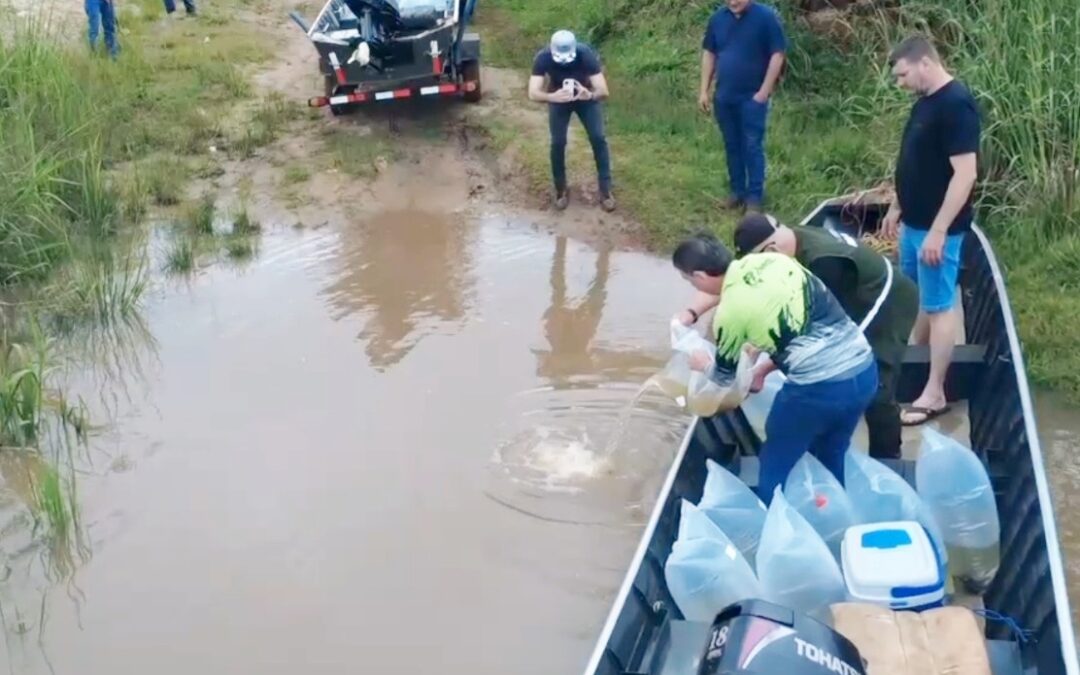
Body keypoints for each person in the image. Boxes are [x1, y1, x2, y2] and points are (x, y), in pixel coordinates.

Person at [672, 233, 878, 503]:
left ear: (699, 276)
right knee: (831, 452)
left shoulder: (730, 315)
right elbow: (799, 326)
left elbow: (725, 380)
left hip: (819, 392)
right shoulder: (774, 262)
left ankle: (775, 525)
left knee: (774, 464)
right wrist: (761, 369)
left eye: (688, 280)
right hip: (864, 372)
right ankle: (832, 514)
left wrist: (703, 363)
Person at [733, 213, 919, 459]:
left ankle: (887, 457)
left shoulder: (824, 262)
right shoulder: (792, 239)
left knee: (876, 383)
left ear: (771, 249)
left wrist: (764, 368)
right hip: (852, 293)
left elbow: (818, 327)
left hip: (885, 301)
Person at [880, 35, 980, 426]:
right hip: (915, 223)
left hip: (939, 230)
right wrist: (896, 205)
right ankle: (915, 361)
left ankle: (935, 391)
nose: (900, 82)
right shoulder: (925, 102)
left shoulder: (957, 105)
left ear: (924, 63)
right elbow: (914, 160)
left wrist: (939, 231)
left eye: (903, 74)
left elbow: (965, 174)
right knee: (916, 294)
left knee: (939, 306)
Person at [698, 0, 787, 213]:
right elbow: (709, 53)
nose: (733, 2)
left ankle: (754, 198)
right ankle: (737, 192)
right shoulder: (717, 19)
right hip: (724, 97)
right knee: (732, 145)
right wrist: (704, 90)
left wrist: (764, 92)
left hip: (752, 98)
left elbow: (778, 54)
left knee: (752, 146)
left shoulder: (766, 17)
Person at [528, 30, 615, 213]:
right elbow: (533, 92)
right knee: (558, 143)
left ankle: (606, 190)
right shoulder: (543, 57)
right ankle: (561, 189)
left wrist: (589, 94)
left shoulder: (585, 55)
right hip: (558, 100)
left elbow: (604, 91)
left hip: (586, 98)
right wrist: (552, 97)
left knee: (598, 138)